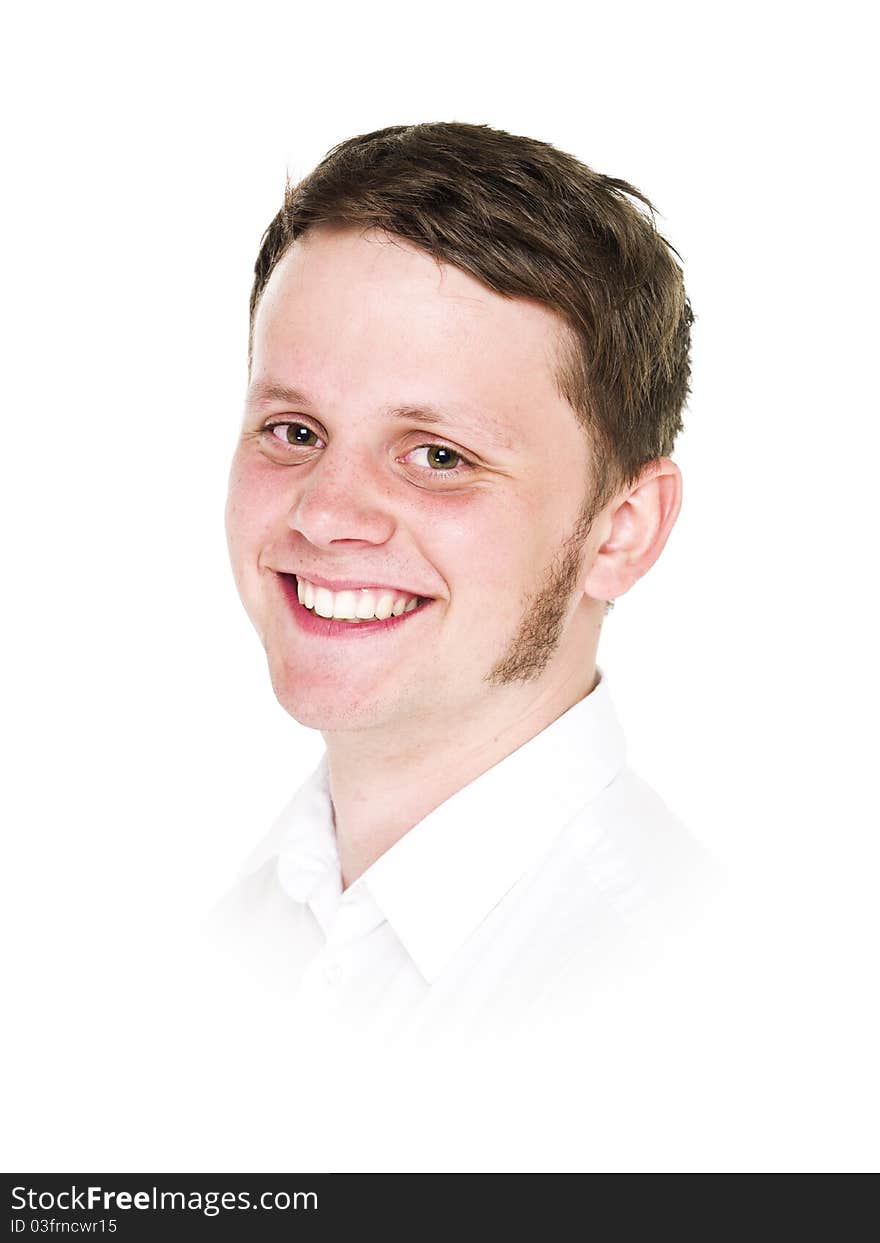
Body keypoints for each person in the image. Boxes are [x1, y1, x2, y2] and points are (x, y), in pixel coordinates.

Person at [216, 121, 714, 1042]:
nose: (325, 514)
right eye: (294, 431)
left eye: (439, 455)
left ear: (622, 531)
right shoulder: (237, 926)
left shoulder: (686, 1012)